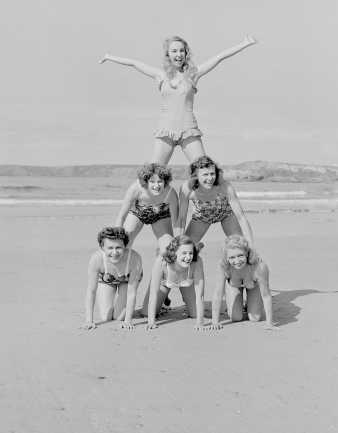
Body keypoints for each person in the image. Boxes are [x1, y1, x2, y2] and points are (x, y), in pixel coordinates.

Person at [98, 34, 260, 165]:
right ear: (168, 55)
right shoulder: (160, 75)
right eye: (174, 51)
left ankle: (202, 204)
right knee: (154, 173)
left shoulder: (193, 74)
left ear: (186, 53)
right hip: (165, 129)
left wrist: (244, 44)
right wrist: (109, 57)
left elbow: (220, 57)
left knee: (203, 170)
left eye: (182, 50)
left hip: (188, 129)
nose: (178, 54)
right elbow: (134, 63)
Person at [176, 156, 258, 262]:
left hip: (226, 214)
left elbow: (241, 217)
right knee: (185, 250)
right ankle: (197, 247)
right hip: (202, 217)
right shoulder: (187, 189)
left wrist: (251, 246)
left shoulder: (224, 186)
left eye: (212, 173)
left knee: (240, 249)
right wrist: (177, 245)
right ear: (195, 175)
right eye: (205, 174)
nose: (210, 178)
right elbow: (181, 219)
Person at [211, 235, 281, 331]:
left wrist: (270, 324)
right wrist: (215, 322)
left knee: (255, 318)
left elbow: (267, 296)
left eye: (240, 255)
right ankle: (240, 306)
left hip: (253, 285)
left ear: (247, 253)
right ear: (226, 258)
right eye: (232, 257)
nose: (237, 261)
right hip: (233, 285)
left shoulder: (259, 266)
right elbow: (218, 294)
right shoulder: (223, 266)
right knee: (236, 317)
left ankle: (249, 304)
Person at [80, 227, 143, 330]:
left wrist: (128, 321)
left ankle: (122, 302)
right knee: (106, 317)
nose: (114, 253)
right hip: (106, 278)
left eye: (118, 247)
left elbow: (132, 293)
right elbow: (91, 291)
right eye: (110, 248)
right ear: (102, 247)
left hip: (127, 280)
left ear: (124, 246)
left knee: (119, 317)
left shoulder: (135, 259)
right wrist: (89, 321)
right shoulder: (96, 259)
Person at [141, 235, 206, 330]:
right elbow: (153, 293)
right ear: (174, 252)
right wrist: (151, 322)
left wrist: (200, 323)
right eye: (184, 253)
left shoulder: (197, 261)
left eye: (190, 253)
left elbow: (200, 295)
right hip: (166, 282)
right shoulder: (161, 261)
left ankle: (196, 248)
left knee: (195, 314)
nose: (188, 257)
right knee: (146, 313)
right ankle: (164, 296)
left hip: (186, 282)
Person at [115, 163, 179, 253]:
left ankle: (160, 253)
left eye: (160, 181)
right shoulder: (136, 189)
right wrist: (115, 239)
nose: (156, 186)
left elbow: (176, 223)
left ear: (165, 181)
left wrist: (179, 243)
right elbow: (121, 217)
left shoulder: (171, 194)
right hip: (137, 213)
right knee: (123, 246)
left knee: (169, 250)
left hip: (161, 215)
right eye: (152, 182)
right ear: (145, 181)